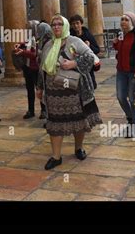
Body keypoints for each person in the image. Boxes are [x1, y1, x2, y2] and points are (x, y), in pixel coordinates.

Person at [37, 15, 102, 170]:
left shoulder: (75, 41)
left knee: (78, 122)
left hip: (74, 90)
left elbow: (91, 57)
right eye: (53, 24)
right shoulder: (48, 45)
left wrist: (74, 63)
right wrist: (39, 87)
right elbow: (42, 68)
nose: (56, 27)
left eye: (60, 24)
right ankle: (56, 156)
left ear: (65, 26)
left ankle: (78, 148)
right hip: (53, 93)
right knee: (54, 124)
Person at [113, 12, 135, 141]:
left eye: (126, 20)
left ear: (132, 22)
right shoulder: (121, 34)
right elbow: (119, 49)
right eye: (122, 19)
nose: (123, 22)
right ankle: (131, 118)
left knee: (133, 99)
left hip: (133, 73)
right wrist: (115, 43)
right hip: (121, 72)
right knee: (121, 97)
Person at [14, 20, 47, 120]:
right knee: (29, 90)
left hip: (36, 68)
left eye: (29, 28)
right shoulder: (29, 38)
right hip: (27, 68)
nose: (27, 29)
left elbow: (35, 54)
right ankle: (31, 110)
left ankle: (44, 110)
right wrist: (19, 45)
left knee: (39, 89)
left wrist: (22, 52)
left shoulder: (39, 39)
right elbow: (26, 44)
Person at [69, 14, 100, 89]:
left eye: (77, 23)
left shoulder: (87, 34)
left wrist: (89, 46)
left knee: (90, 86)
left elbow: (97, 49)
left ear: (81, 23)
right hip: (74, 65)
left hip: (87, 66)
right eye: (73, 24)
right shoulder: (69, 36)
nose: (76, 26)